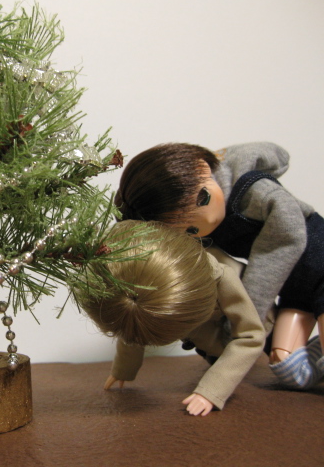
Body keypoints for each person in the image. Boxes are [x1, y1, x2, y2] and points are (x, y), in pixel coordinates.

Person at [115, 142, 324, 389]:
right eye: (191, 229)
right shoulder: (187, 223)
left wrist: (247, 314)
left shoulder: (259, 195)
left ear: (202, 168)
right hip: (293, 289)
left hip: (317, 266)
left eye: (203, 198)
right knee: (288, 368)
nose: (208, 219)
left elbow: (278, 251)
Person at [72, 221, 265, 416]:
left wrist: (212, 390)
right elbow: (134, 324)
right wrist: (124, 369)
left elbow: (251, 336)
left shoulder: (223, 277)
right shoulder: (139, 281)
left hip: (237, 339)